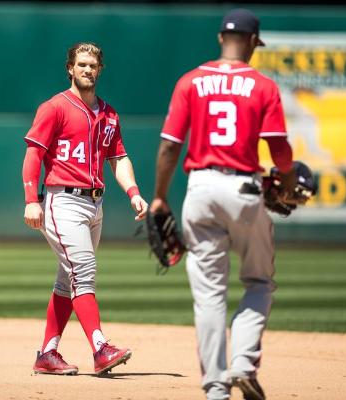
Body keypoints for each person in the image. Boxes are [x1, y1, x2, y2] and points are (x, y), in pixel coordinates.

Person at [150, 9, 296, 400]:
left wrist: (160, 196)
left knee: (210, 295)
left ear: (220, 39)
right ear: (253, 42)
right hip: (244, 190)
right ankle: (244, 364)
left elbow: (169, 146)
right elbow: (279, 149)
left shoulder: (190, 82)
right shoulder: (263, 86)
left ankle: (216, 388)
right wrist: (286, 179)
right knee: (259, 281)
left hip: (199, 189)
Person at [22, 42, 148, 376]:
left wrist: (133, 192)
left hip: (95, 204)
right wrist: (31, 200)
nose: (87, 70)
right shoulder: (55, 107)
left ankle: (47, 355)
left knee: (68, 281)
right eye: (81, 64)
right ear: (70, 68)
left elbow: (118, 159)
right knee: (84, 271)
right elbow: (33, 154)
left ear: (100, 69)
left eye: (92, 65)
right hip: (62, 200)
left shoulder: (109, 114)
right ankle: (100, 348)